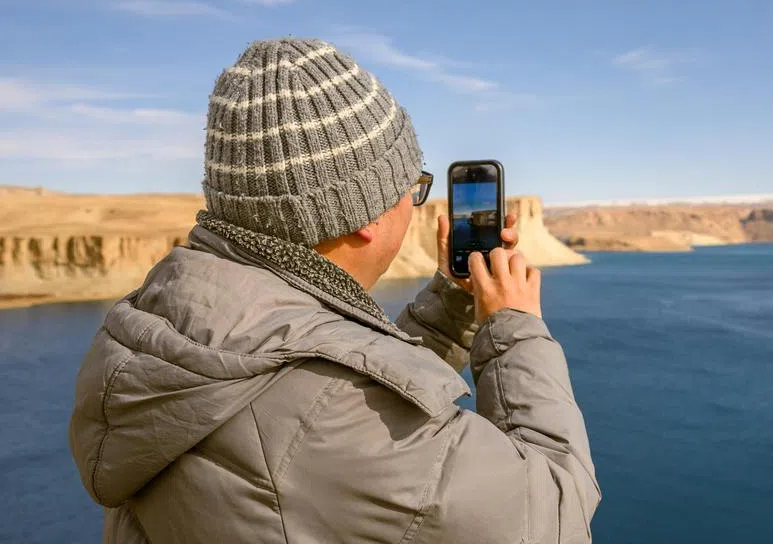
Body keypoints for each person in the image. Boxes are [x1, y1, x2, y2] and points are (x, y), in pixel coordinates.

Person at [69, 38, 600, 543]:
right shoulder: (332, 417)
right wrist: (514, 327)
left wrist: (456, 302)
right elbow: (554, 515)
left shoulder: (167, 320)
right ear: (364, 216)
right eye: (413, 186)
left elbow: (337, 376)